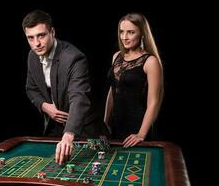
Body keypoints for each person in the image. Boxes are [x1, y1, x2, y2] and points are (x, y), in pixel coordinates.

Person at [22, 10, 107, 165]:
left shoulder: (74, 58)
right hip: (54, 127)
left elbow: (79, 97)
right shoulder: (32, 56)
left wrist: (69, 134)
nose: (36, 43)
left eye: (41, 35)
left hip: (82, 128)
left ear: (52, 32)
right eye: (31, 38)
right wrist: (46, 107)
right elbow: (31, 89)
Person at [104, 12, 164, 148]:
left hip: (138, 127)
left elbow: (154, 102)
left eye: (131, 32)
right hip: (116, 124)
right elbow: (112, 91)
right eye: (122, 32)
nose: (124, 37)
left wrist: (141, 134)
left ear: (142, 33)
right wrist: (105, 122)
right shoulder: (116, 56)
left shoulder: (151, 61)